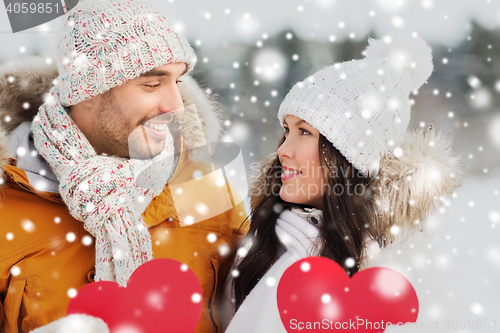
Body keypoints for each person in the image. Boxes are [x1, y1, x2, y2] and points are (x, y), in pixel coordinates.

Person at [0, 0, 246, 332]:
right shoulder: (8, 204)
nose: (175, 105)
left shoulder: (205, 187)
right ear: (87, 91)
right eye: (152, 84)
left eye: (178, 81)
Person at [220, 32, 465, 332]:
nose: (283, 149)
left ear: (348, 156)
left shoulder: (391, 272)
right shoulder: (265, 245)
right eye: (287, 129)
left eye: (305, 132)